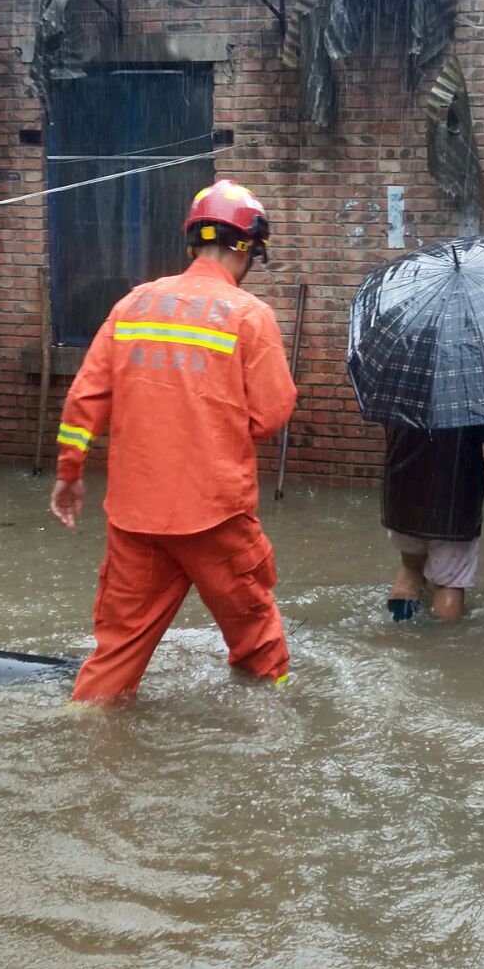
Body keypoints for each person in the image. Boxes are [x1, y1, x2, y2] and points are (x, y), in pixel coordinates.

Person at [50, 179, 297, 702]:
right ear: (249, 248)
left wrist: (70, 472)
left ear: (193, 241)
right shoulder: (249, 316)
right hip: (215, 515)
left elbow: (84, 399)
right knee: (258, 645)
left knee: (115, 656)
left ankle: (87, 729)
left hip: (135, 515)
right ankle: (275, 733)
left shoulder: (132, 305)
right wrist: (220, 431)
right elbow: (271, 415)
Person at [380, 421, 484, 622]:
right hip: (453, 506)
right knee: (449, 582)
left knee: (410, 569)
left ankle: (398, 631)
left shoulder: (402, 399)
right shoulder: (469, 401)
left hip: (400, 499)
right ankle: (442, 639)